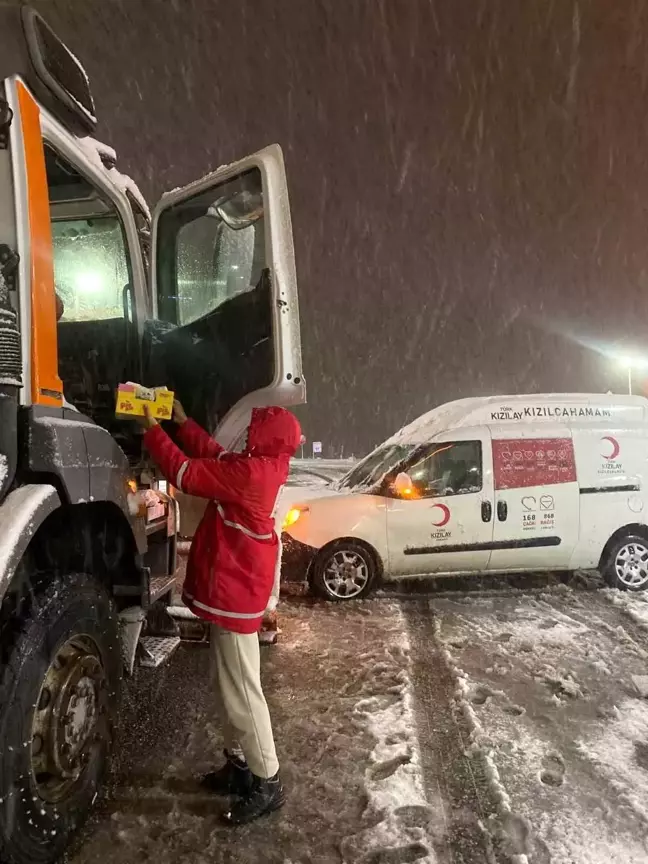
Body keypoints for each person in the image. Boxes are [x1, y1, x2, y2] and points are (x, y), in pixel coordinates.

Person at [141, 399, 301, 825]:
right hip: (237, 587)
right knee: (230, 686)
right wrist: (182, 422)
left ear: (268, 439)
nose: (249, 437)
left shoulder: (251, 474)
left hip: (235, 590)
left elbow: (184, 473)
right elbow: (215, 455)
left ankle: (268, 782)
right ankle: (241, 767)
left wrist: (149, 428)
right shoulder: (264, 465)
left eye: (256, 432)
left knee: (243, 691)